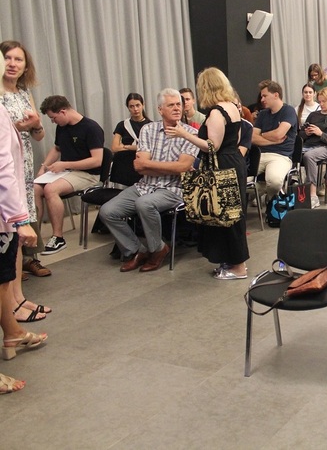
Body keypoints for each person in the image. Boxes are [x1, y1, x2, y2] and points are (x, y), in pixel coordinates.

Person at [99, 89, 199, 273]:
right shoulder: (148, 129)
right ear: (160, 110)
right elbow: (139, 167)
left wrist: (151, 164)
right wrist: (170, 165)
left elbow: (183, 167)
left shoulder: (191, 133)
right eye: (171, 105)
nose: (177, 108)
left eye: (179, 104)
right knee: (107, 211)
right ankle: (137, 250)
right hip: (145, 185)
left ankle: (157, 250)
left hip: (173, 189)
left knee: (144, 204)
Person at [168, 68, 250, 280]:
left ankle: (238, 266)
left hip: (223, 165)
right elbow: (236, 138)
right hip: (233, 162)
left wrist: (183, 133)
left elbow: (211, 146)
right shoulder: (233, 107)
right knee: (229, 214)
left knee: (226, 216)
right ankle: (233, 262)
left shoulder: (216, 112)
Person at [1, 40, 52, 324]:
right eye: (7, 58)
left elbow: (40, 135)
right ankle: (10, 305)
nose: (13, 63)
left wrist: (34, 125)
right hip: (4, 167)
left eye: (18, 59)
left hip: (23, 165)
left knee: (18, 239)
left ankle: (18, 297)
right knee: (8, 237)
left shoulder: (24, 92)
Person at [1, 103, 48, 393]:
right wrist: (19, 219)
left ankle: (13, 333)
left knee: (4, 280)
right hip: (5, 211)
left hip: (8, 206)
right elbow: (3, 168)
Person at [35, 95, 104, 254]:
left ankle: (58, 238)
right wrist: (43, 167)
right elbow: (57, 149)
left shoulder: (91, 128)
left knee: (50, 189)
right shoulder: (62, 126)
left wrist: (65, 164)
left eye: (53, 118)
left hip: (87, 174)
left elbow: (97, 161)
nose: (53, 122)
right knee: (36, 187)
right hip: (67, 171)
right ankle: (35, 235)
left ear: (63, 111)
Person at [251, 80, 297, 203]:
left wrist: (262, 134)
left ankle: (268, 197)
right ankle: (263, 191)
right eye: (261, 96)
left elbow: (279, 134)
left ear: (276, 95)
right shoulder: (263, 114)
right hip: (260, 155)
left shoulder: (289, 111)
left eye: (265, 96)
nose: (262, 99)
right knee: (241, 181)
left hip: (280, 156)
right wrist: (272, 141)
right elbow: (253, 138)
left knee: (275, 182)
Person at [298, 87, 327, 209]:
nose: (321, 104)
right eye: (320, 101)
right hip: (308, 145)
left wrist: (321, 134)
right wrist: (306, 133)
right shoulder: (313, 115)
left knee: (309, 156)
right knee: (291, 153)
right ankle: (287, 191)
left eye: (324, 101)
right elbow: (300, 134)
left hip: (325, 147)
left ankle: (313, 195)